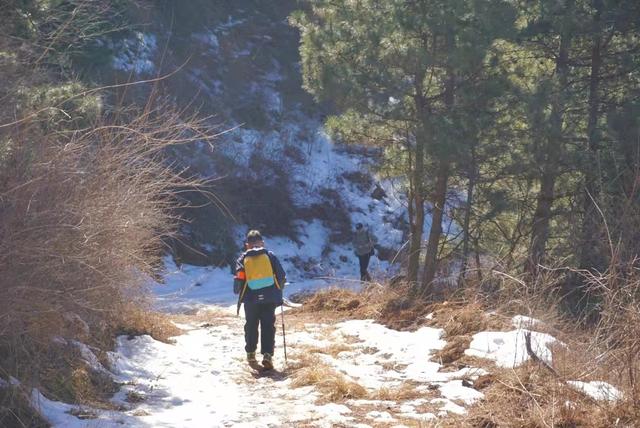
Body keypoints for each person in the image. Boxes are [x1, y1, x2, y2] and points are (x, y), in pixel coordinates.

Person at [233, 230, 286, 370]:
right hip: (270, 298)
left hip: (250, 299)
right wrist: (278, 291)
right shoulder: (270, 255)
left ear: (247, 245)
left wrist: (237, 291)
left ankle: (250, 354)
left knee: (251, 325)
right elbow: (281, 276)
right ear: (262, 243)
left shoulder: (242, 258)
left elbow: (239, 279)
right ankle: (267, 355)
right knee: (268, 326)